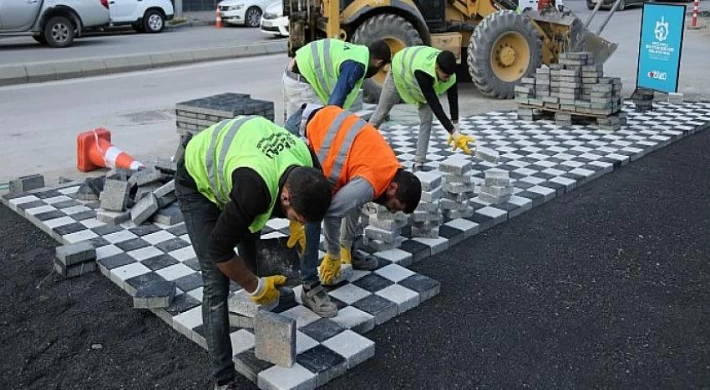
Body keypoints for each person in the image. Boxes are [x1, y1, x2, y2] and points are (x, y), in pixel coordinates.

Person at [174, 115, 333, 390]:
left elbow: (294, 205)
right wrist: (255, 286)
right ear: (285, 196)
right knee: (215, 283)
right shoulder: (254, 189)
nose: (300, 223)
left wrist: (298, 223)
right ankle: (223, 379)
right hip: (196, 179)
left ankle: (261, 301)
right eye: (298, 216)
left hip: (241, 168)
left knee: (251, 231)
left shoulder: (308, 162)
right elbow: (219, 249)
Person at [285, 104, 422, 288]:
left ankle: (346, 248)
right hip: (302, 131)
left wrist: (344, 245)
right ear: (393, 188)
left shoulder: (389, 167)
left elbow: (354, 200)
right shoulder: (373, 180)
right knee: (314, 207)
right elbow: (332, 213)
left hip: (317, 121)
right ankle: (309, 283)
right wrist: (333, 253)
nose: (391, 210)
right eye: (395, 205)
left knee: (349, 199)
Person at [368, 46, 475, 171]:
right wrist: (454, 133)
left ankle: (419, 162)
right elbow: (435, 105)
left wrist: (456, 126)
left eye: (450, 76)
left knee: (427, 119)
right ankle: (362, 146)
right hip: (398, 74)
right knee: (381, 113)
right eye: (445, 76)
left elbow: (453, 97)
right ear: (436, 68)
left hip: (418, 81)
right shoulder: (423, 71)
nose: (447, 80)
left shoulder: (448, 71)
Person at [282, 38, 392, 120]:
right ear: (379, 63)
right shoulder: (356, 66)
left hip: (293, 74)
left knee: (293, 130)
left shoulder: (358, 52)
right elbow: (335, 103)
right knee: (320, 124)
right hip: (300, 83)